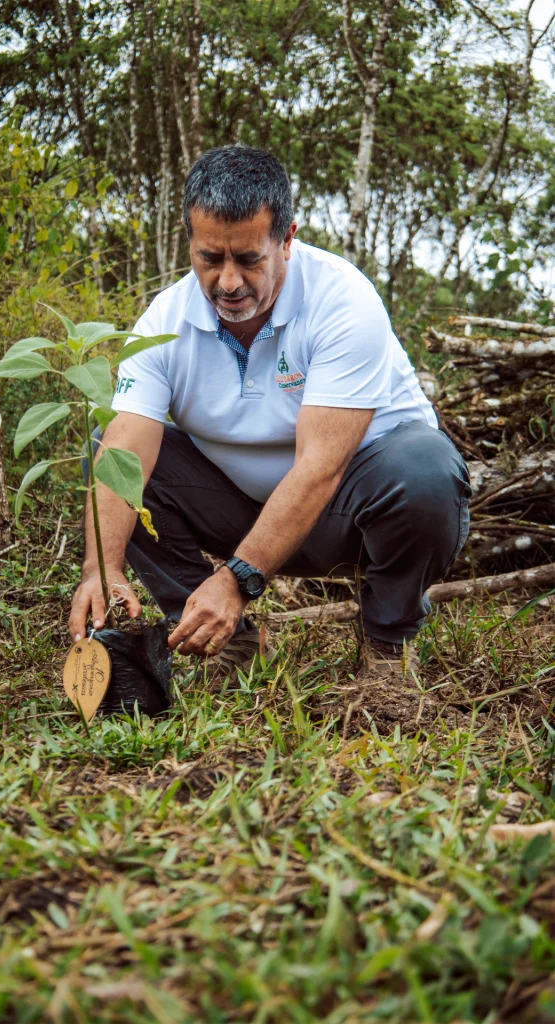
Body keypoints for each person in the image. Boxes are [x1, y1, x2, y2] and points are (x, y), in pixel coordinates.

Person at [69, 146, 471, 683]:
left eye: (249, 259)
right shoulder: (165, 321)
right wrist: (102, 568)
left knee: (426, 467)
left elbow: (321, 467)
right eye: (210, 258)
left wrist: (236, 580)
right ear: (189, 239)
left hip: (345, 514)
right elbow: (125, 445)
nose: (228, 282)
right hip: (238, 510)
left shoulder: (342, 301)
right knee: (106, 449)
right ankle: (219, 638)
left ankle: (387, 645)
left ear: (286, 239)